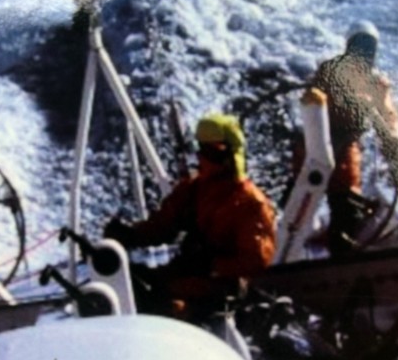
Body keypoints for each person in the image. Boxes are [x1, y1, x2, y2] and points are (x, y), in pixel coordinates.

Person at [104, 112, 277, 318]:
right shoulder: (194, 189)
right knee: (130, 284)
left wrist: (212, 265)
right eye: (201, 150)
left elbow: (255, 260)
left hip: (221, 286)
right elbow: (163, 225)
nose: (203, 158)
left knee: (168, 306)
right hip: (185, 273)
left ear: (230, 154)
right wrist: (128, 236)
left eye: (213, 151)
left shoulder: (251, 203)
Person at [308, 20, 398, 251]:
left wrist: (394, 139)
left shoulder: (377, 84)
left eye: (369, 47)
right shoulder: (330, 71)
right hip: (316, 139)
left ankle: (340, 246)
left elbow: (388, 115)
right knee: (300, 194)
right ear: (348, 47)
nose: (364, 53)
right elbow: (318, 97)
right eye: (359, 46)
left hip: (346, 145)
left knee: (346, 207)